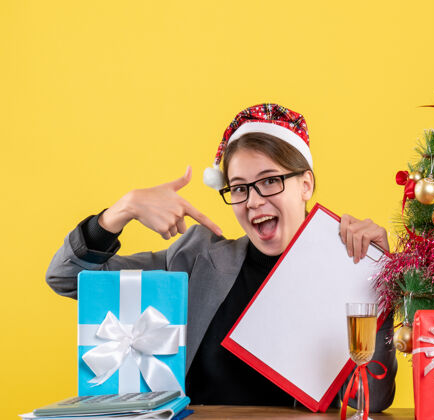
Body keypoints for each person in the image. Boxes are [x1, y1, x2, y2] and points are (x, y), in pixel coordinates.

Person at [46, 103, 397, 410]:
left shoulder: (342, 267)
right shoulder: (196, 258)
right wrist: (122, 210)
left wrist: (376, 278)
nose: (254, 201)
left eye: (270, 180)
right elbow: (65, 276)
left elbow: (372, 400)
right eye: (240, 187)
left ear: (306, 184)